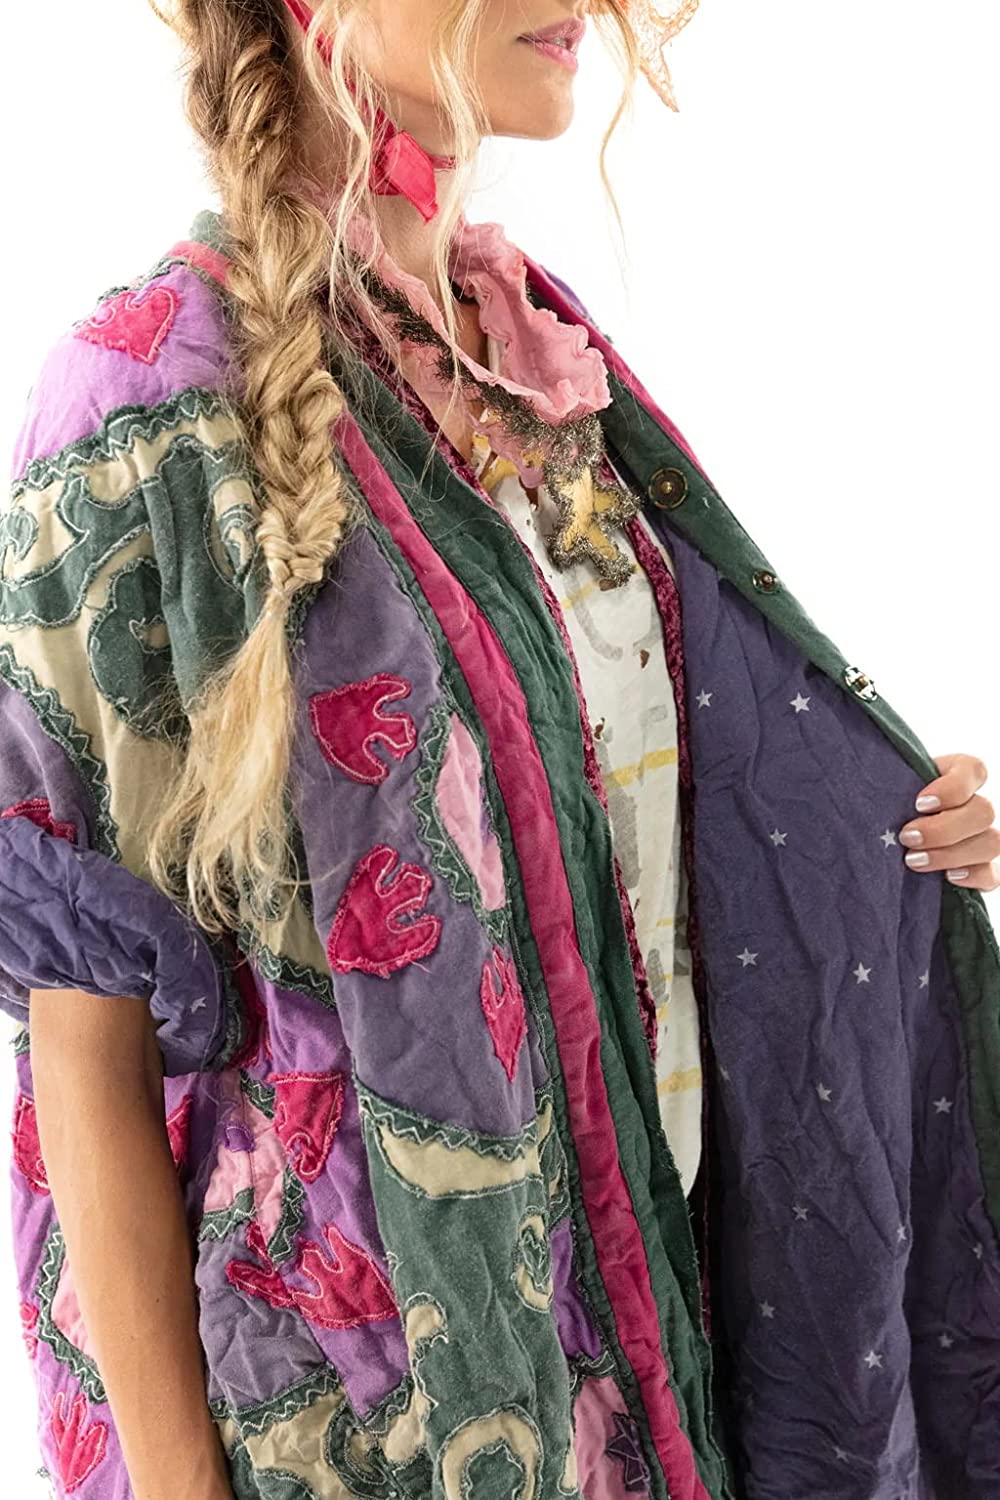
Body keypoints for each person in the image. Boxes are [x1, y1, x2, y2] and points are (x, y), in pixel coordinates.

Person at [1, 3, 998, 1497]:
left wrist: (879, 828)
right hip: (350, 1427)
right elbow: (86, 1032)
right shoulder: (144, 402)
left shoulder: (529, 348)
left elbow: (634, 828)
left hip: (645, 1367)